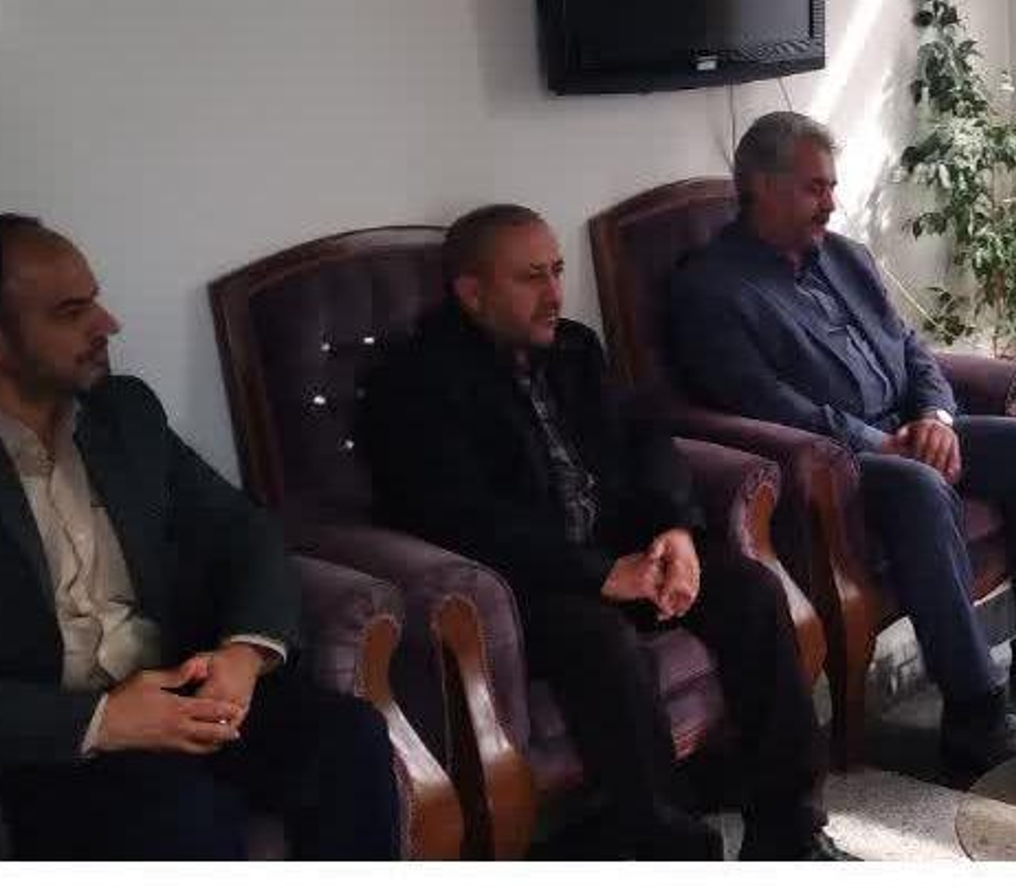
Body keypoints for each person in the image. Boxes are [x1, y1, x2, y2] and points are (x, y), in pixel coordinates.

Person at [358, 204, 840, 861]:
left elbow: (648, 440)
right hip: (530, 585)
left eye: (556, 271)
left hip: (622, 548)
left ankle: (790, 831)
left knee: (751, 590)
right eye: (531, 277)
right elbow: (460, 517)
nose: (555, 293)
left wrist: (676, 530)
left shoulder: (575, 348)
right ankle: (674, 854)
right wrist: (600, 575)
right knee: (604, 643)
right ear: (472, 292)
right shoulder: (416, 384)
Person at [669, 112, 1016, 777]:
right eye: (814, 188)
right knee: (920, 485)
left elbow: (913, 350)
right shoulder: (711, 288)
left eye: (832, 186)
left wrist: (936, 418)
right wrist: (879, 443)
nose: (830, 203)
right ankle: (973, 710)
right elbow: (761, 402)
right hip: (837, 463)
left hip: (906, 429)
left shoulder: (845, 257)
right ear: (761, 188)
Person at [0, 215, 398, 859]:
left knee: (348, 739)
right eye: (71, 312)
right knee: (183, 817)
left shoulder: (124, 412)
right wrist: (103, 721)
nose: (107, 324)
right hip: (55, 741)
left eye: (95, 300)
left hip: (175, 687)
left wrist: (244, 654)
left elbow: (245, 531)